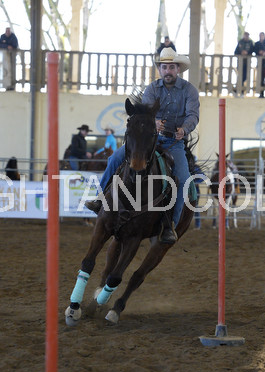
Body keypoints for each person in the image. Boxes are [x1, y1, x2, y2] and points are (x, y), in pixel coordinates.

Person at [85, 47, 200, 244]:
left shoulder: (189, 91)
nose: (168, 71)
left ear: (178, 69)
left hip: (174, 142)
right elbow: (144, 113)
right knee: (114, 159)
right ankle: (100, 200)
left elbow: (193, 115)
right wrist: (153, 122)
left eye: (172, 67)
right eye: (164, 67)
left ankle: (170, 225)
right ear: (160, 69)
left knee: (183, 178)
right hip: (149, 141)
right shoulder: (152, 89)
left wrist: (184, 129)